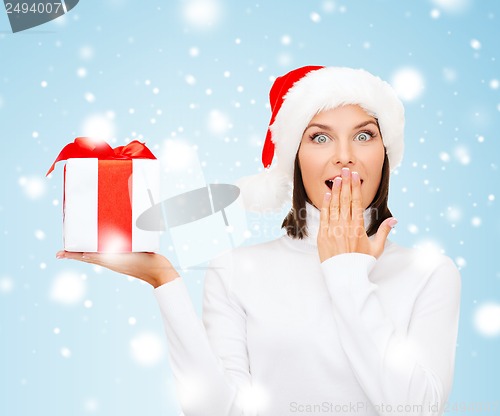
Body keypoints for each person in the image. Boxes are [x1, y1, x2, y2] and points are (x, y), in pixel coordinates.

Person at [57, 65, 461, 416]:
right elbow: (219, 411)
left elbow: (419, 408)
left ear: (385, 153)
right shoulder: (235, 270)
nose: (344, 156)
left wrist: (348, 272)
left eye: (364, 136)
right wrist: (165, 281)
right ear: (294, 159)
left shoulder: (428, 274)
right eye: (319, 137)